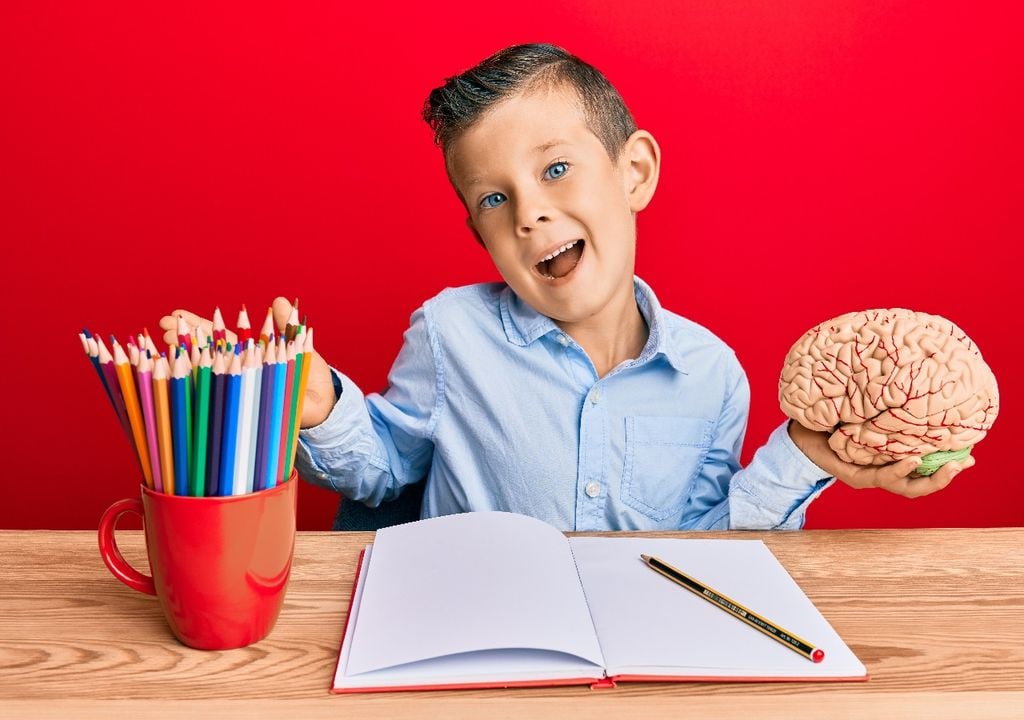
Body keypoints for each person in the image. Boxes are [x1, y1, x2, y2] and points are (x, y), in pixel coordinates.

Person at [161, 43, 969, 530]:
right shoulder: (451, 333)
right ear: (481, 236)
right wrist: (316, 402)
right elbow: (384, 469)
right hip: (474, 652)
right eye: (494, 198)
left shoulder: (713, 373)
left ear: (635, 172)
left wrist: (805, 457)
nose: (530, 213)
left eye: (555, 169)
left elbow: (712, 544)